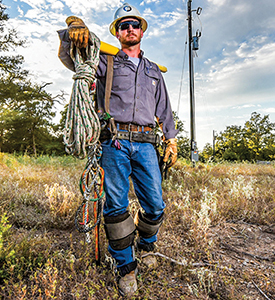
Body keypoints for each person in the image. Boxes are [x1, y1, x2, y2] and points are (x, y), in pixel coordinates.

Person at [58, 2, 178, 297]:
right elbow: (74, 58)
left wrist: (171, 139)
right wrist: (73, 29)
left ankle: (146, 245)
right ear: (117, 32)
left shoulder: (154, 71)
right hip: (114, 141)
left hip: (147, 142)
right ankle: (126, 268)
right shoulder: (106, 62)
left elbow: (164, 108)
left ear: (141, 30)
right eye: (123, 26)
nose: (129, 29)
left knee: (155, 205)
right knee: (116, 207)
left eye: (134, 25)